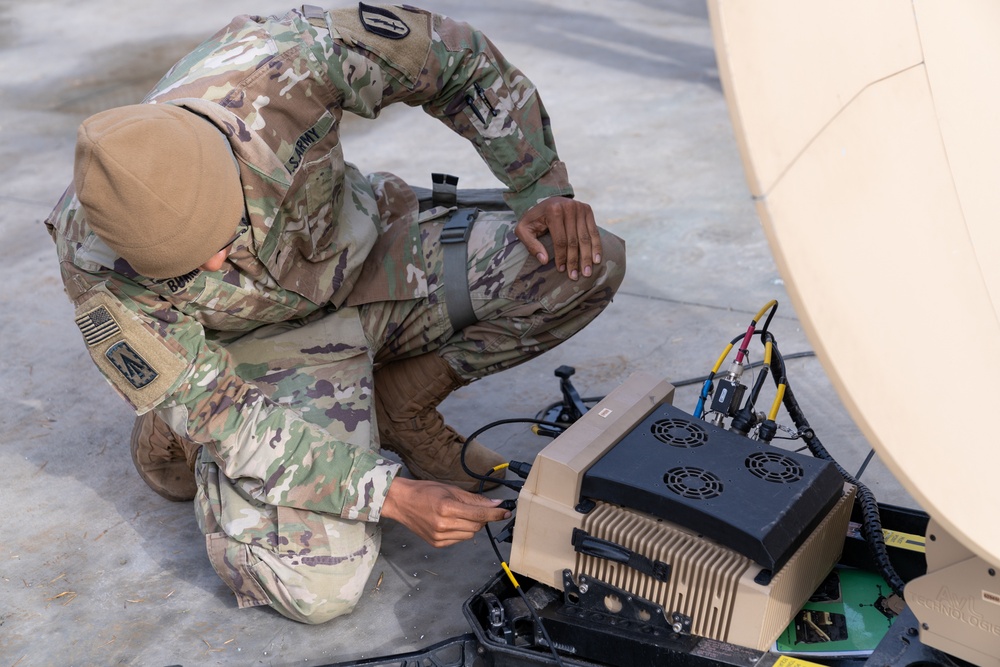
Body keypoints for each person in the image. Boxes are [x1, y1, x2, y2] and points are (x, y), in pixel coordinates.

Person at [46, 2, 625, 624]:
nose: (216, 268)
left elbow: (458, 61)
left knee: (577, 265)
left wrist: (540, 186)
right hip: (248, 357)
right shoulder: (92, 263)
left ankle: (397, 402)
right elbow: (226, 413)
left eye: (222, 238)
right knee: (317, 589)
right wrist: (389, 494)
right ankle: (173, 431)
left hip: (363, 255)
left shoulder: (286, 61)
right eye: (184, 270)